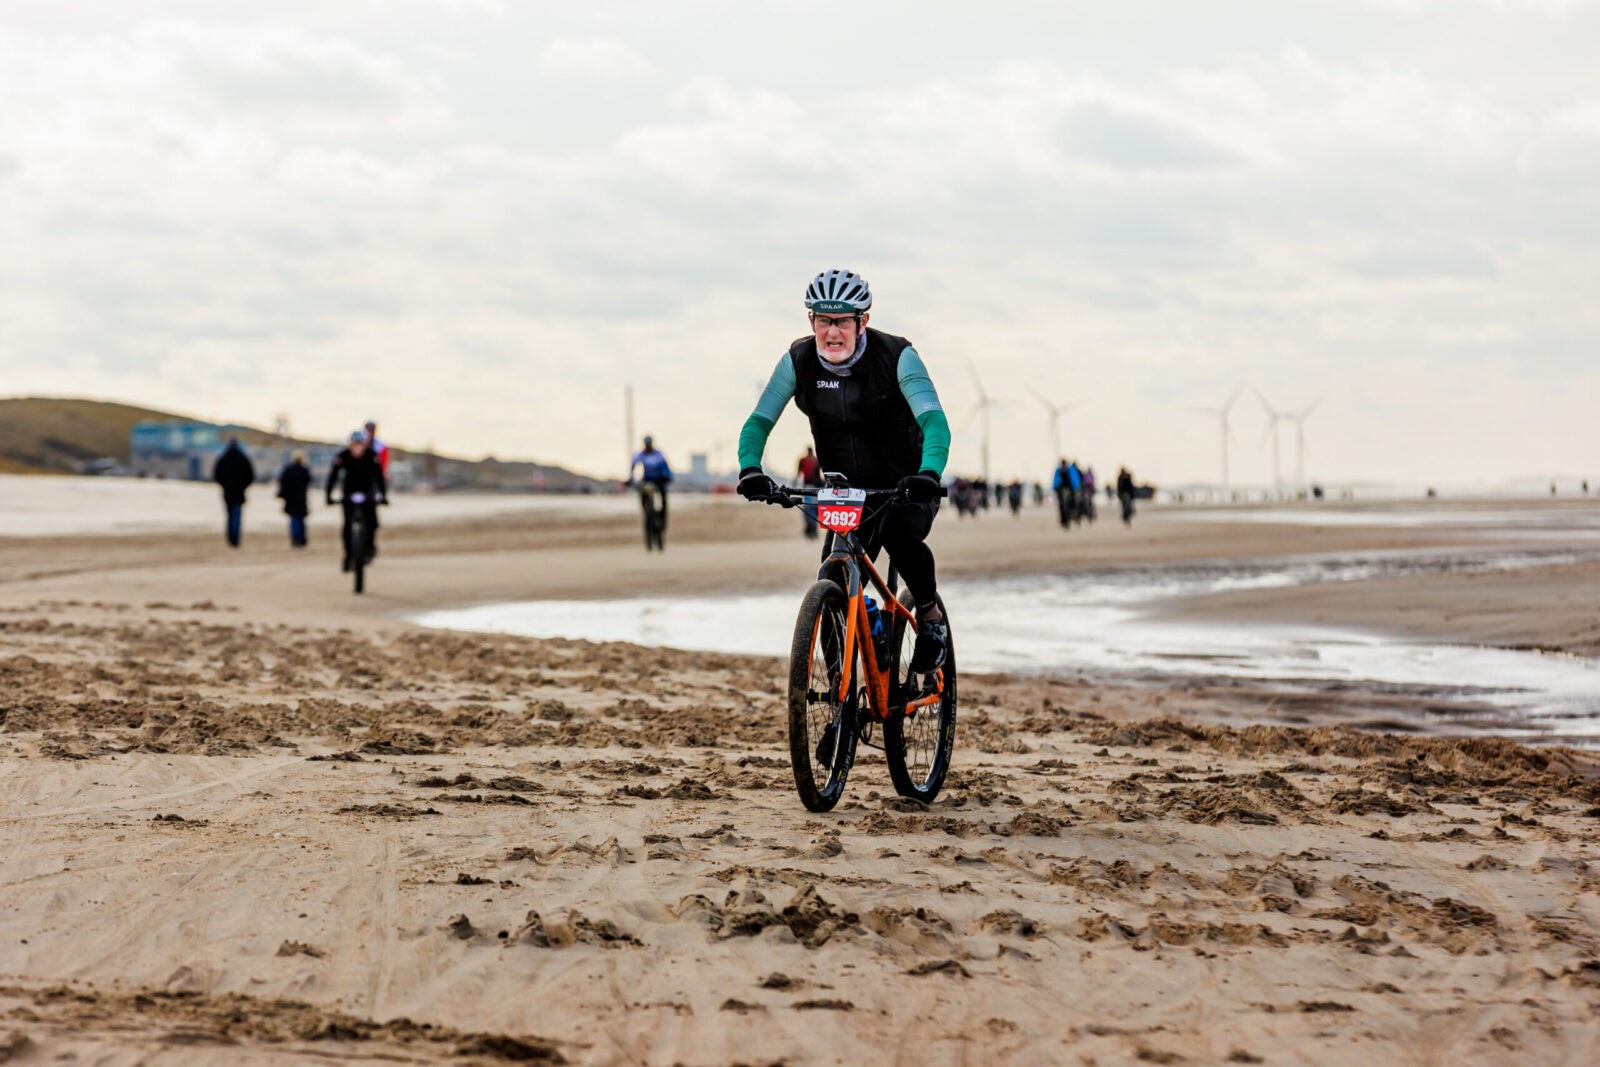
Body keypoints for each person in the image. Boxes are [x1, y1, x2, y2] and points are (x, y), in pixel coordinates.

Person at [735, 269, 951, 672]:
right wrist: (750, 469)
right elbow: (758, 422)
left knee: (898, 537)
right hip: (846, 489)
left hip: (905, 483)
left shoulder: (897, 356)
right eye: (823, 320)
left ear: (861, 321)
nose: (832, 332)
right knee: (833, 576)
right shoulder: (798, 360)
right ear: (811, 321)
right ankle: (840, 697)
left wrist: (929, 474)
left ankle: (929, 615)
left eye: (842, 321)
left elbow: (935, 423)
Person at [326, 431, 388, 571]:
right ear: (350, 444)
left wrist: (383, 496)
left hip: (367, 492)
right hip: (349, 492)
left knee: (372, 521)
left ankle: (370, 547)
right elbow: (333, 477)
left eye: (361, 443)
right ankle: (348, 556)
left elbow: (379, 477)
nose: (358, 447)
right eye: (355, 444)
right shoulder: (342, 456)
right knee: (347, 525)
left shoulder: (372, 456)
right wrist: (328, 496)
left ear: (365, 444)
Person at [628, 435, 674, 549]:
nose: (648, 447)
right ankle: (647, 512)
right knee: (644, 499)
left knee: (663, 500)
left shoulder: (658, 454)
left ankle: (662, 517)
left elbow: (665, 467)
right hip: (647, 480)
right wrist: (630, 478)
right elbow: (634, 465)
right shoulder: (641, 455)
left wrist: (668, 477)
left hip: (659, 479)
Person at [212, 437, 256, 548]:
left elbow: (216, 475)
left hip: (228, 492)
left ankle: (230, 538)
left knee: (229, 516)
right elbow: (250, 476)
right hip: (239, 492)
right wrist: (243, 487)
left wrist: (224, 485)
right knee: (236, 516)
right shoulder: (243, 458)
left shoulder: (223, 458)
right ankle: (235, 539)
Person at [277, 451, 312, 548]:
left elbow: (283, 483)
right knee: (301, 519)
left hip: (291, 498)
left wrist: (282, 494)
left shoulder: (288, 469)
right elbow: (308, 481)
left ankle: (295, 539)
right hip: (301, 498)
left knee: (294, 519)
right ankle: (301, 539)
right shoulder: (304, 469)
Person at [797, 445, 825, 540]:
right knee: (813, 509)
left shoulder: (805, 460)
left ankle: (811, 530)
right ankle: (812, 530)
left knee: (809, 509)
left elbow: (798, 472)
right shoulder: (815, 460)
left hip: (809, 487)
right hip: (815, 488)